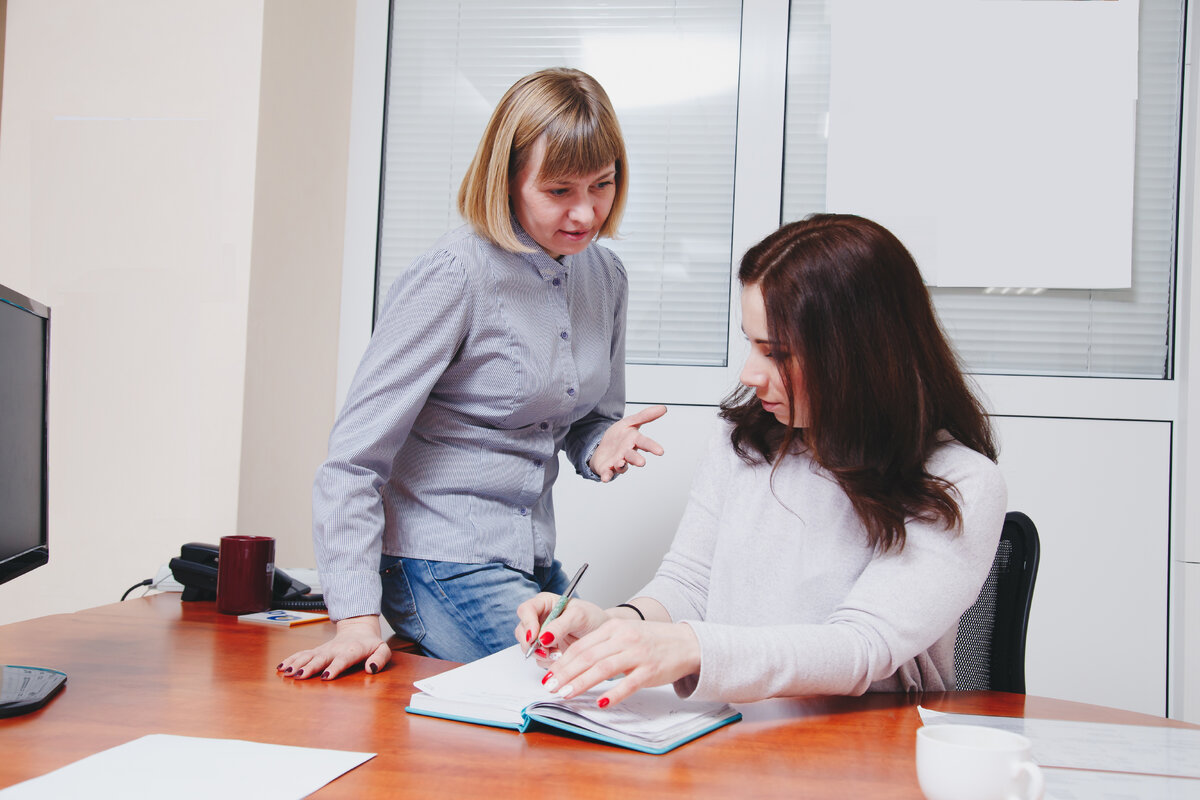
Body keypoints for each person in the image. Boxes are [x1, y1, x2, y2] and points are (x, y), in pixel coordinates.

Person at [515, 213, 1007, 708]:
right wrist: (612, 625)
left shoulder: (961, 483)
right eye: (752, 343)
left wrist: (690, 648)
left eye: (778, 353)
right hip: (725, 733)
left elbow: (861, 647)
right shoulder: (745, 439)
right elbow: (690, 582)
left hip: (854, 755)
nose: (750, 373)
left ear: (859, 356)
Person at [280, 67, 665, 680]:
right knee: (570, 686)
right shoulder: (454, 275)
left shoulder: (606, 278)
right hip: (435, 557)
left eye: (603, 185)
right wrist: (355, 616)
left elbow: (581, 419)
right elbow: (353, 459)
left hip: (531, 561)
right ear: (507, 179)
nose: (586, 212)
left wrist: (600, 444)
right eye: (559, 190)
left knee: (616, 672)